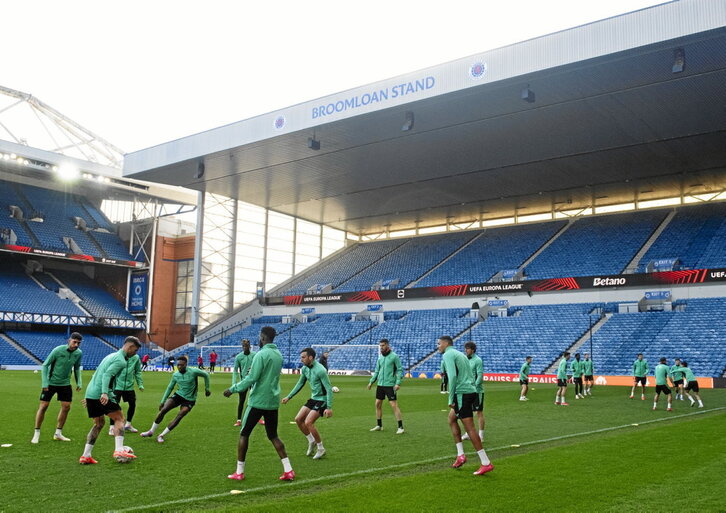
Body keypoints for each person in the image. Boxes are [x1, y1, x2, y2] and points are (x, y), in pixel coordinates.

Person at [223, 326, 294, 481]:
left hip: (257, 401)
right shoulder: (278, 354)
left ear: (262, 338)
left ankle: (239, 472)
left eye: (259, 337)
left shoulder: (261, 354)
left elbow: (251, 378)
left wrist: (233, 389)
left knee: (244, 433)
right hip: (273, 401)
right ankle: (288, 470)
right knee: (273, 435)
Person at [79, 336, 140, 464]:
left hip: (92, 392)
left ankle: (86, 455)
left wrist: (90, 396)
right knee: (120, 418)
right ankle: (119, 449)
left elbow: (97, 374)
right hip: (101, 393)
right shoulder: (120, 360)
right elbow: (107, 375)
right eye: (135, 350)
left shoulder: (110, 356)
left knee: (99, 424)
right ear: (130, 347)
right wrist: (105, 393)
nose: (135, 354)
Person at [438, 336, 493, 476]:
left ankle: (486, 462)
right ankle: (461, 455)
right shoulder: (459, 354)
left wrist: (451, 397)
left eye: (439, 344)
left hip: (462, 393)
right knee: (451, 419)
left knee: (470, 428)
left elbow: (453, 377)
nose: (438, 346)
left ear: (445, 343)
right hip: (469, 391)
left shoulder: (448, 354)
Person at [140, 355, 211, 443]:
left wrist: (207, 389)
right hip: (178, 395)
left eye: (182, 365)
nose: (179, 367)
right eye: (178, 365)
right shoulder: (175, 375)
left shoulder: (193, 371)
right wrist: (162, 401)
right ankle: (151, 431)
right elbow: (170, 388)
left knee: (180, 415)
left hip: (190, 399)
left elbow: (206, 375)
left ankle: (161, 435)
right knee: (163, 410)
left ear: (186, 364)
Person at [282, 347, 334, 460]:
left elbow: (329, 389)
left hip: (322, 399)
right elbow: (300, 384)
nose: (301, 360)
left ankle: (321, 448)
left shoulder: (321, 370)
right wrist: (289, 397)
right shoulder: (305, 369)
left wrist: (329, 407)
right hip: (313, 398)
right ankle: (311, 441)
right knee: (298, 419)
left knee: (308, 422)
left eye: (303, 357)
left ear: (310, 357)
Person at [32, 332, 83, 444]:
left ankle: (58, 433)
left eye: (79, 343)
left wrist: (79, 381)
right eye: (74, 342)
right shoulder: (58, 350)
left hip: (65, 384)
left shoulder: (78, 353)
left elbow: (77, 367)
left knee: (66, 407)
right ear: (69, 340)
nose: (76, 345)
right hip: (51, 383)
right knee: (44, 406)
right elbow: (45, 365)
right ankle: (36, 433)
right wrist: (45, 383)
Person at [366, 339, 404, 434]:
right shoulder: (380, 358)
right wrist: (371, 382)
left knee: (393, 405)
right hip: (380, 385)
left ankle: (400, 427)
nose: (381, 347)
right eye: (380, 346)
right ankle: (379, 425)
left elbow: (399, 370)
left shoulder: (394, 356)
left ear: (387, 345)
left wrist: (398, 383)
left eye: (383, 345)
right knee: (377, 404)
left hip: (390, 385)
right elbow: (377, 371)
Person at [108, 349, 144, 434]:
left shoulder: (136, 358)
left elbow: (138, 371)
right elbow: (112, 372)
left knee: (132, 404)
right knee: (113, 405)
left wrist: (140, 384)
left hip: (129, 386)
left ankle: (128, 424)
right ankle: (112, 427)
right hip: (118, 386)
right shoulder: (118, 357)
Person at [461, 342, 485, 442]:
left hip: (477, 391)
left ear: (473, 350)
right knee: (467, 412)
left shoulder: (478, 360)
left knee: (479, 412)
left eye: (467, 348)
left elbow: (480, 375)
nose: (465, 350)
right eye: (465, 348)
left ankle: (481, 435)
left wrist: (474, 387)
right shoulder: (465, 359)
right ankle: (468, 433)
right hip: (467, 390)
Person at [232, 339, 255, 427]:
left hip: (253, 381)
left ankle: (259, 418)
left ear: (249, 346)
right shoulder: (238, 357)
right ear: (242, 347)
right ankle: (239, 420)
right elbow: (235, 370)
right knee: (241, 401)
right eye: (244, 346)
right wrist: (234, 383)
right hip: (243, 382)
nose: (245, 347)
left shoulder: (255, 355)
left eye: (247, 346)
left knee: (255, 400)